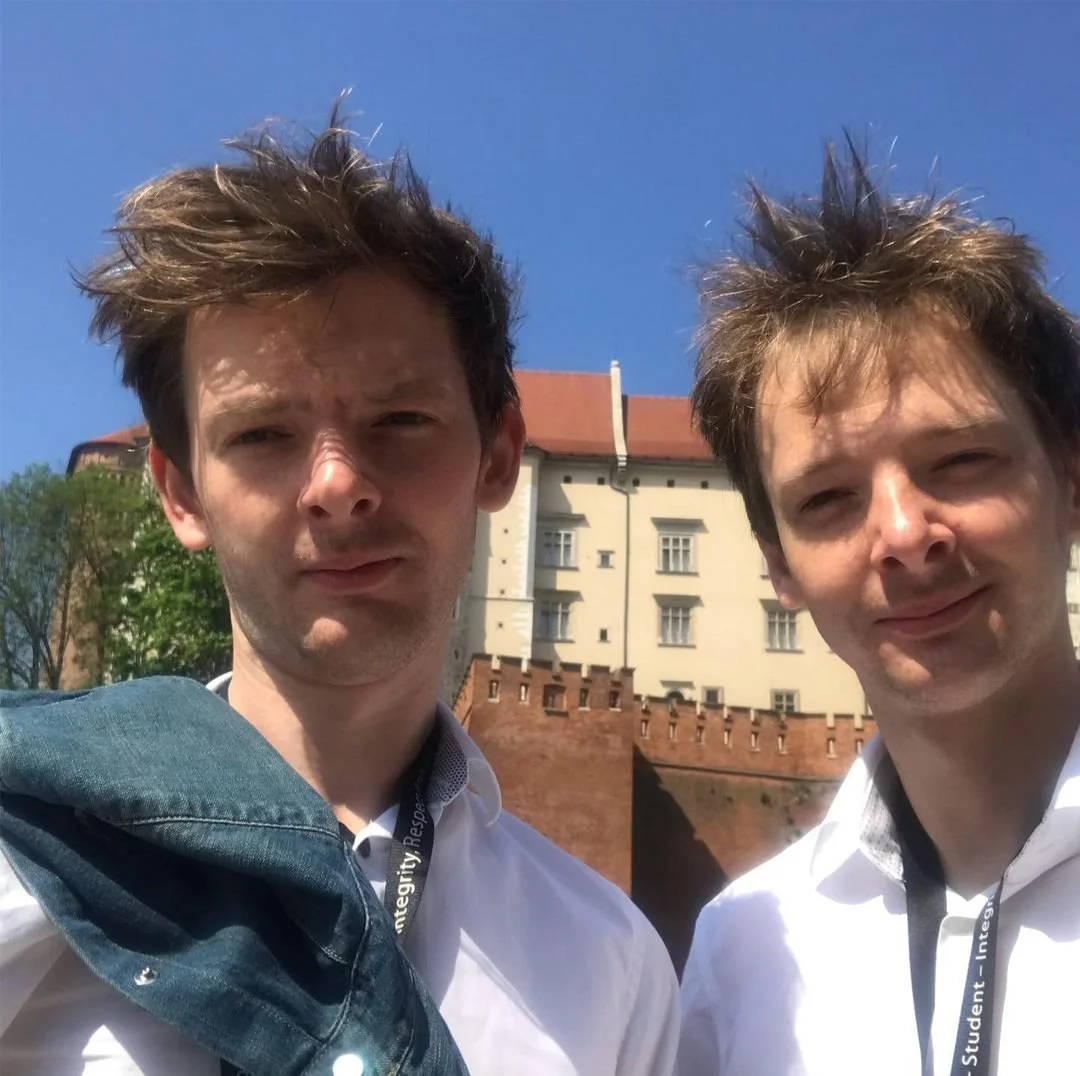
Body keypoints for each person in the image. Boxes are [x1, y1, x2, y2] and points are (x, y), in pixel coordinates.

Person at [0, 103, 679, 1075]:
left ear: (497, 456)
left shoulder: (612, 970)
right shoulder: (25, 866)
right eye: (262, 434)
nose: (336, 483)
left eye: (400, 419)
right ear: (182, 493)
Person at [677, 140, 1080, 1075]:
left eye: (962, 460)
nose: (903, 533)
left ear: (1069, 482)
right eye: (827, 499)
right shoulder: (743, 953)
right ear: (780, 568)